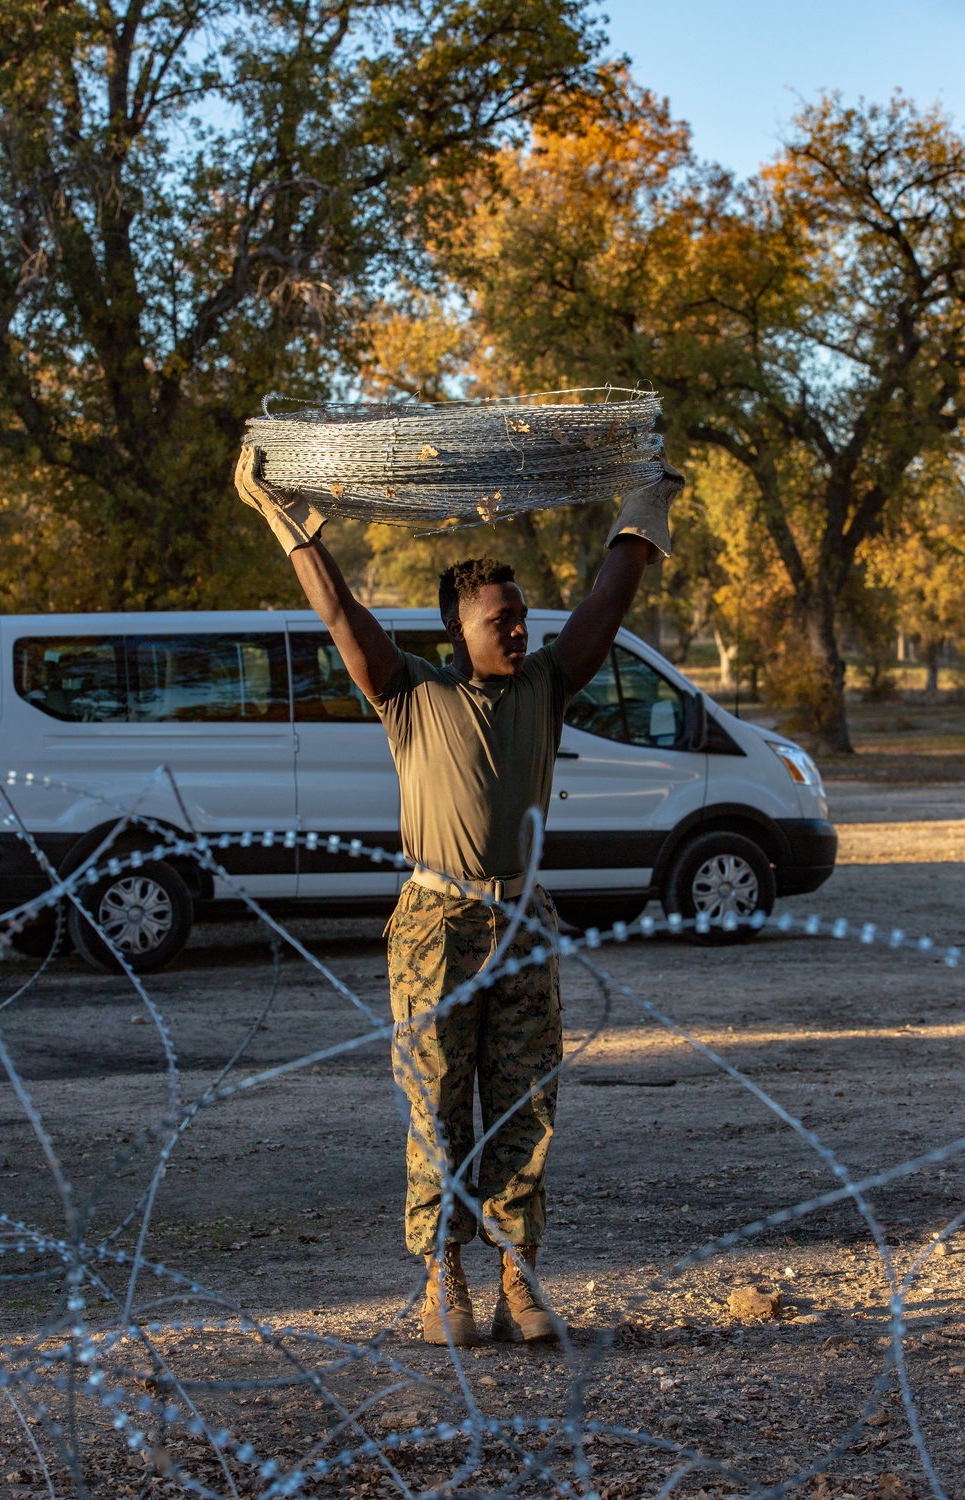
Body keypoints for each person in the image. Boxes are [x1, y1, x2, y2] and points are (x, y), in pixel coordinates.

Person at [234, 446, 684, 1346]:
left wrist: (644, 507)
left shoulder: (548, 688)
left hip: (524, 916)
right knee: (438, 1108)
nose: (517, 630)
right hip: (436, 923)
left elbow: (607, 601)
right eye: (499, 620)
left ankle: (519, 1279)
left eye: (520, 617)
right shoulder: (409, 694)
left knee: (525, 1103)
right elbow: (339, 609)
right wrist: (282, 516)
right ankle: (448, 1282)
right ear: (457, 633)